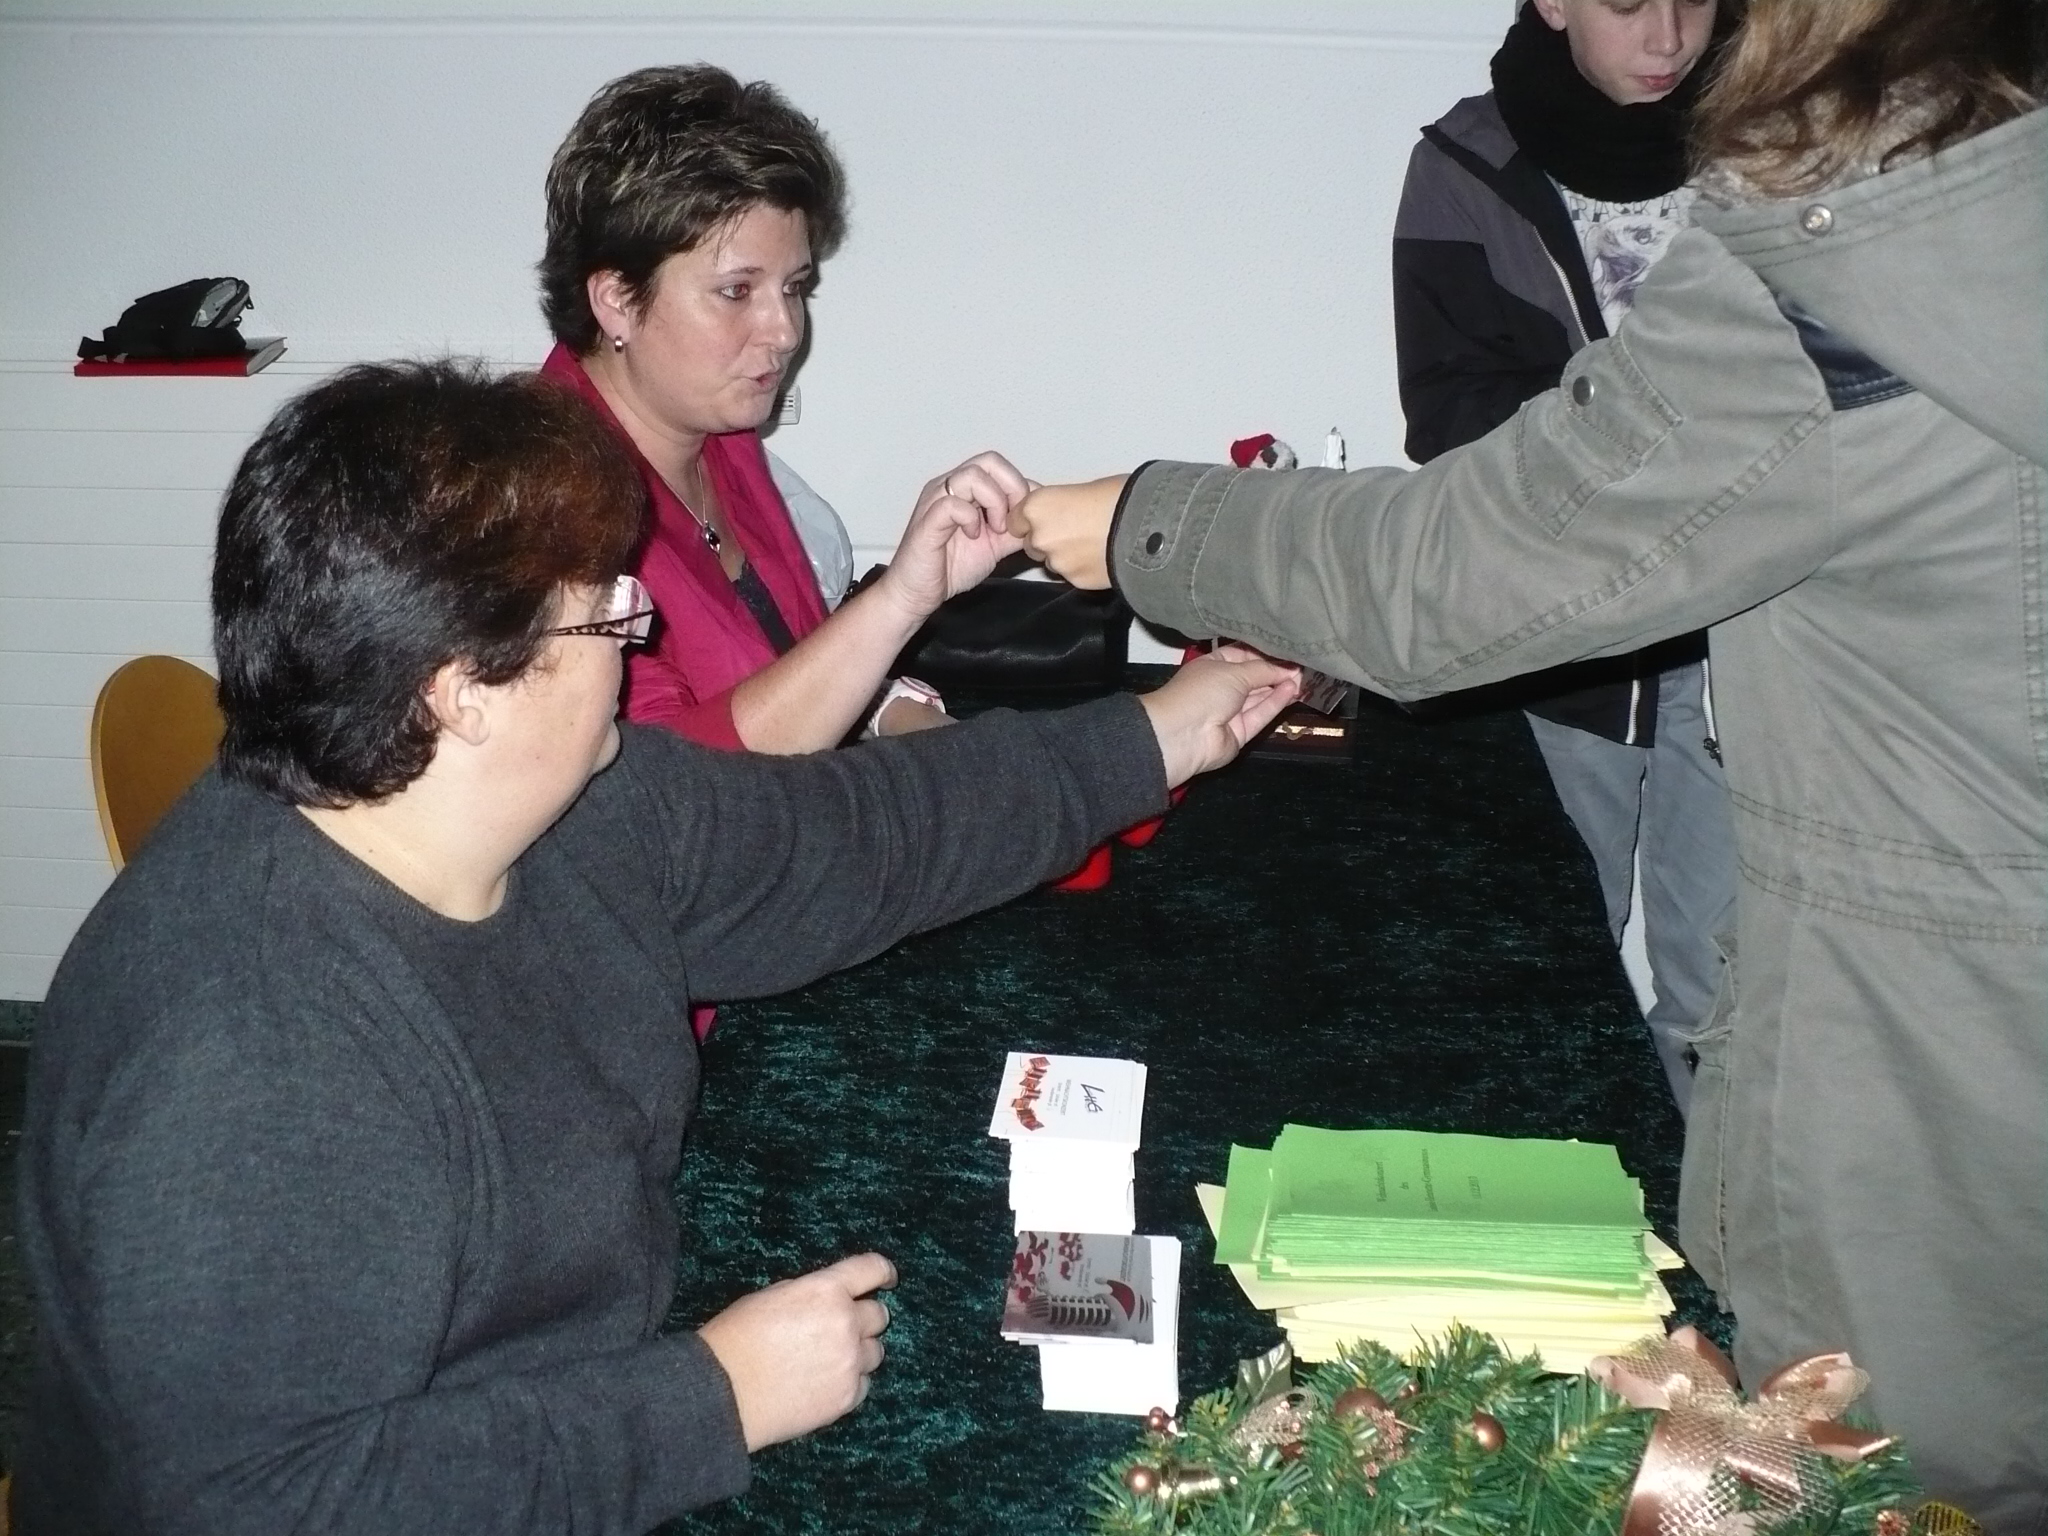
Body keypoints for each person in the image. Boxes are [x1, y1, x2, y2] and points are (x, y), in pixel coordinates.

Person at [1013, 1, 2047, 1525]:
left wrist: (1143, 525)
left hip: (1941, 1083)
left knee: (1884, 1474)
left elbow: (1470, 563)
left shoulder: (1848, 251)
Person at [13, 360, 1297, 1534]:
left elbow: (859, 835)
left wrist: (1155, 734)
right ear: (462, 692)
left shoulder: (559, 804)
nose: (636, 636)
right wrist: (707, 1402)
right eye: (604, 617)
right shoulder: (252, 1062)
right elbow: (257, 1506)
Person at [1394, 0, 1733, 1114]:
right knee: (1540, 985)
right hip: (1550, 646)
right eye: (1629, 2)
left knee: (1724, 998)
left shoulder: (1771, 143)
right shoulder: (1463, 162)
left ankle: (1716, 1264)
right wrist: (1635, 441)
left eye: (1696, 0)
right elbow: (1448, 417)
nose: (1668, 36)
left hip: (1748, 640)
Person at [536, 63, 1023, 753]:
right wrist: (898, 602)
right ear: (616, 299)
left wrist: (928, 730)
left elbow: (788, 663)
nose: (785, 331)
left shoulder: (717, 430)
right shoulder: (537, 501)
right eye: (738, 291)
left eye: (794, 288)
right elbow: (671, 785)